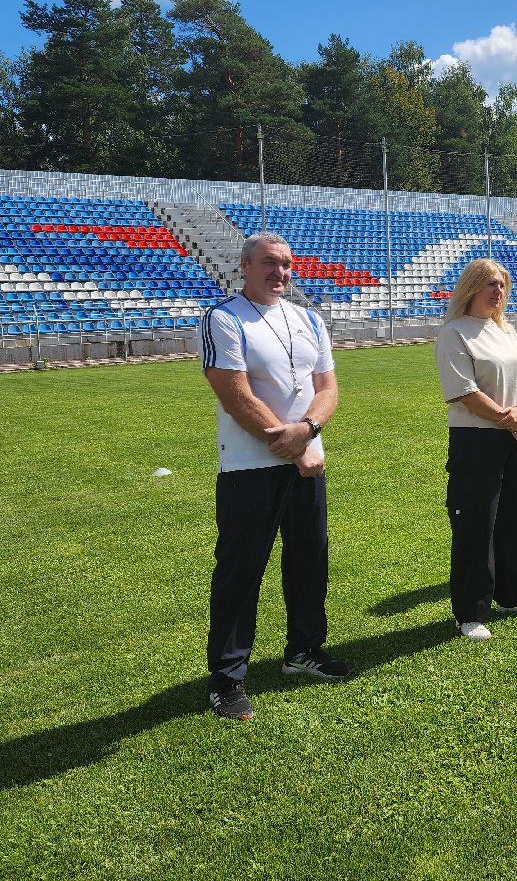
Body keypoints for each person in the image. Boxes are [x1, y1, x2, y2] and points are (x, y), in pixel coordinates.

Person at [200, 232, 347, 721]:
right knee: (241, 571)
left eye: (285, 264)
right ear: (244, 265)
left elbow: (327, 386)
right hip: (250, 467)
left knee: (309, 561)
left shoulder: (309, 318)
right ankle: (227, 679)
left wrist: (308, 430)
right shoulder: (224, 318)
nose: (279, 272)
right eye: (269, 263)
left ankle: (303, 651)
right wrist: (286, 443)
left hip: (308, 462)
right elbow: (234, 392)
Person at [435, 258, 517, 641]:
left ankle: (516, 595)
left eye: (502, 284)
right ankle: (470, 612)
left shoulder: (507, 329)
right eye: (490, 284)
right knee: (476, 523)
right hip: (477, 439)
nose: (498, 291)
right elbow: (464, 392)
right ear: (472, 287)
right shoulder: (454, 333)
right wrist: (512, 420)